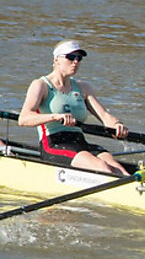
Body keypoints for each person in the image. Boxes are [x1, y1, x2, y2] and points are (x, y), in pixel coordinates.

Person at [18, 39, 129, 175]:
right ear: (56, 59)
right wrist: (55, 117)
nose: (76, 61)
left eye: (79, 58)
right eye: (70, 57)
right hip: (53, 143)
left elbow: (104, 116)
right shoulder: (41, 85)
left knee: (117, 168)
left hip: (79, 141)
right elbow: (24, 118)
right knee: (102, 167)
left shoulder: (83, 87)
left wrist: (117, 124)